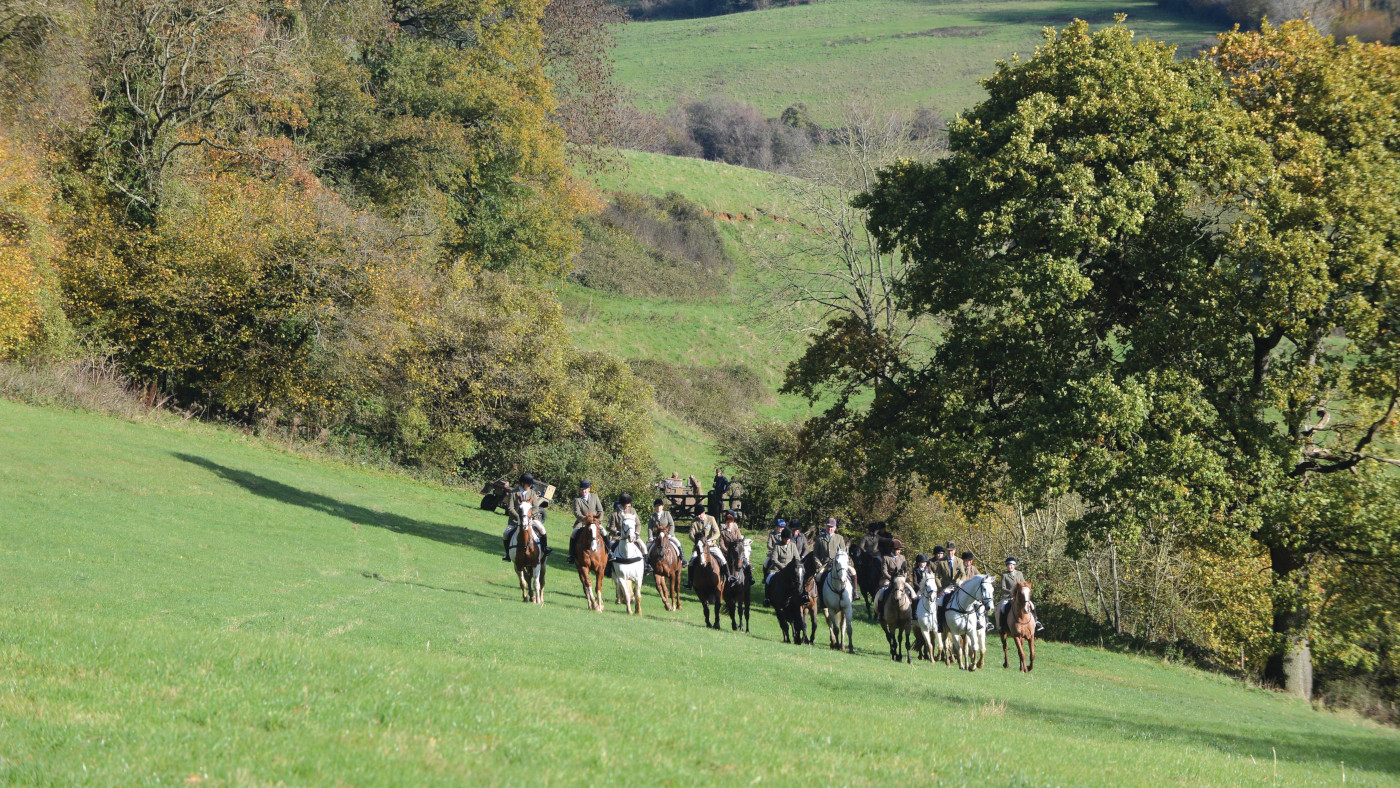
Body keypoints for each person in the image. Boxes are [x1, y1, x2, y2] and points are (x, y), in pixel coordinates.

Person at [502, 473, 549, 560]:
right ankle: (508, 554)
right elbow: (510, 508)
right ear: (522, 483)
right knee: (505, 534)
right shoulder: (513, 493)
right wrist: (519, 517)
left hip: (531, 519)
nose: (530, 486)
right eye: (528, 484)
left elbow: (536, 507)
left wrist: (529, 517)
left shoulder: (532, 493)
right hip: (515, 521)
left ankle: (544, 549)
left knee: (542, 529)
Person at [566, 479, 606, 564]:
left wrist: (598, 520)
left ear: (589, 489)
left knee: (605, 533)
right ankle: (571, 555)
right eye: (582, 489)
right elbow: (576, 512)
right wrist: (585, 519)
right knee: (573, 534)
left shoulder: (594, 497)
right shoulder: (577, 499)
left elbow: (600, 510)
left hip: (595, 522)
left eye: (585, 489)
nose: (583, 491)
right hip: (582, 522)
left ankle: (610, 553)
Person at [997, 556, 1039, 633]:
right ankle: (1002, 626)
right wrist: (1010, 591)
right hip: (1008, 597)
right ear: (1006, 566)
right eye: (1008, 565)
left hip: (1019, 597)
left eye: (1011, 565)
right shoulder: (1004, 575)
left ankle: (1037, 621)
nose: (1010, 567)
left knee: (1031, 605)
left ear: (1014, 566)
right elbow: (1003, 588)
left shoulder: (1019, 573)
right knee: (1003, 608)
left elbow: (1024, 584)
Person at [686, 509, 726, 587]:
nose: (698, 516)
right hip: (700, 547)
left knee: (722, 559)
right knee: (691, 561)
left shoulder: (711, 519)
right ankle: (690, 581)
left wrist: (711, 540)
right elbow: (691, 534)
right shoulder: (694, 521)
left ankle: (727, 577)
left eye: (700, 514)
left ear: (704, 512)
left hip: (711, 545)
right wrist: (697, 542)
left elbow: (717, 532)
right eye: (697, 515)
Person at [765, 526, 802, 606]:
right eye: (786, 539)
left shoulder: (792, 545)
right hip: (777, 569)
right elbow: (774, 559)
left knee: (799, 579)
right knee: (768, 579)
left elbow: (797, 558)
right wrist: (781, 566)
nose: (787, 541)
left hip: (791, 570)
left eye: (789, 539)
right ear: (782, 538)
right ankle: (767, 598)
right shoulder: (777, 545)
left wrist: (794, 566)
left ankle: (802, 596)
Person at [876, 539, 911, 619]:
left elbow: (905, 570)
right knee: (882, 593)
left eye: (900, 550)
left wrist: (903, 578)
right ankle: (881, 613)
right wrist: (892, 578)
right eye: (897, 550)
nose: (899, 551)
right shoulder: (886, 558)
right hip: (889, 579)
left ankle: (912, 612)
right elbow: (884, 571)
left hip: (901, 579)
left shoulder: (902, 557)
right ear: (892, 549)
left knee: (911, 592)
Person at [608, 493, 645, 562]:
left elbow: (638, 524)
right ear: (622, 504)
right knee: (609, 547)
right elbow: (611, 527)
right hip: (618, 537)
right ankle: (609, 567)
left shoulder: (632, 510)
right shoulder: (615, 514)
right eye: (627, 505)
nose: (629, 507)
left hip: (632, 535)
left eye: (629, 505)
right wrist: (617, 532)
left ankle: (646, 566)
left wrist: (636, 533)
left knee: (644, 547)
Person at [647, 498, 682, 562]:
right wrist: (650, 537)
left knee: (678, 543)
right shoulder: (652, 516)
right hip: (656, 536)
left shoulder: (667, 514)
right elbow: (650, 527)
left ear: (662, 507)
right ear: (655, 507)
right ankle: (647, 563)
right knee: (648, 546)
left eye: (660, 506)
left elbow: (672, 524)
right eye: (657, 506)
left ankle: (682, 558)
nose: (658, 508)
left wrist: (670, 534)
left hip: (667, 535)